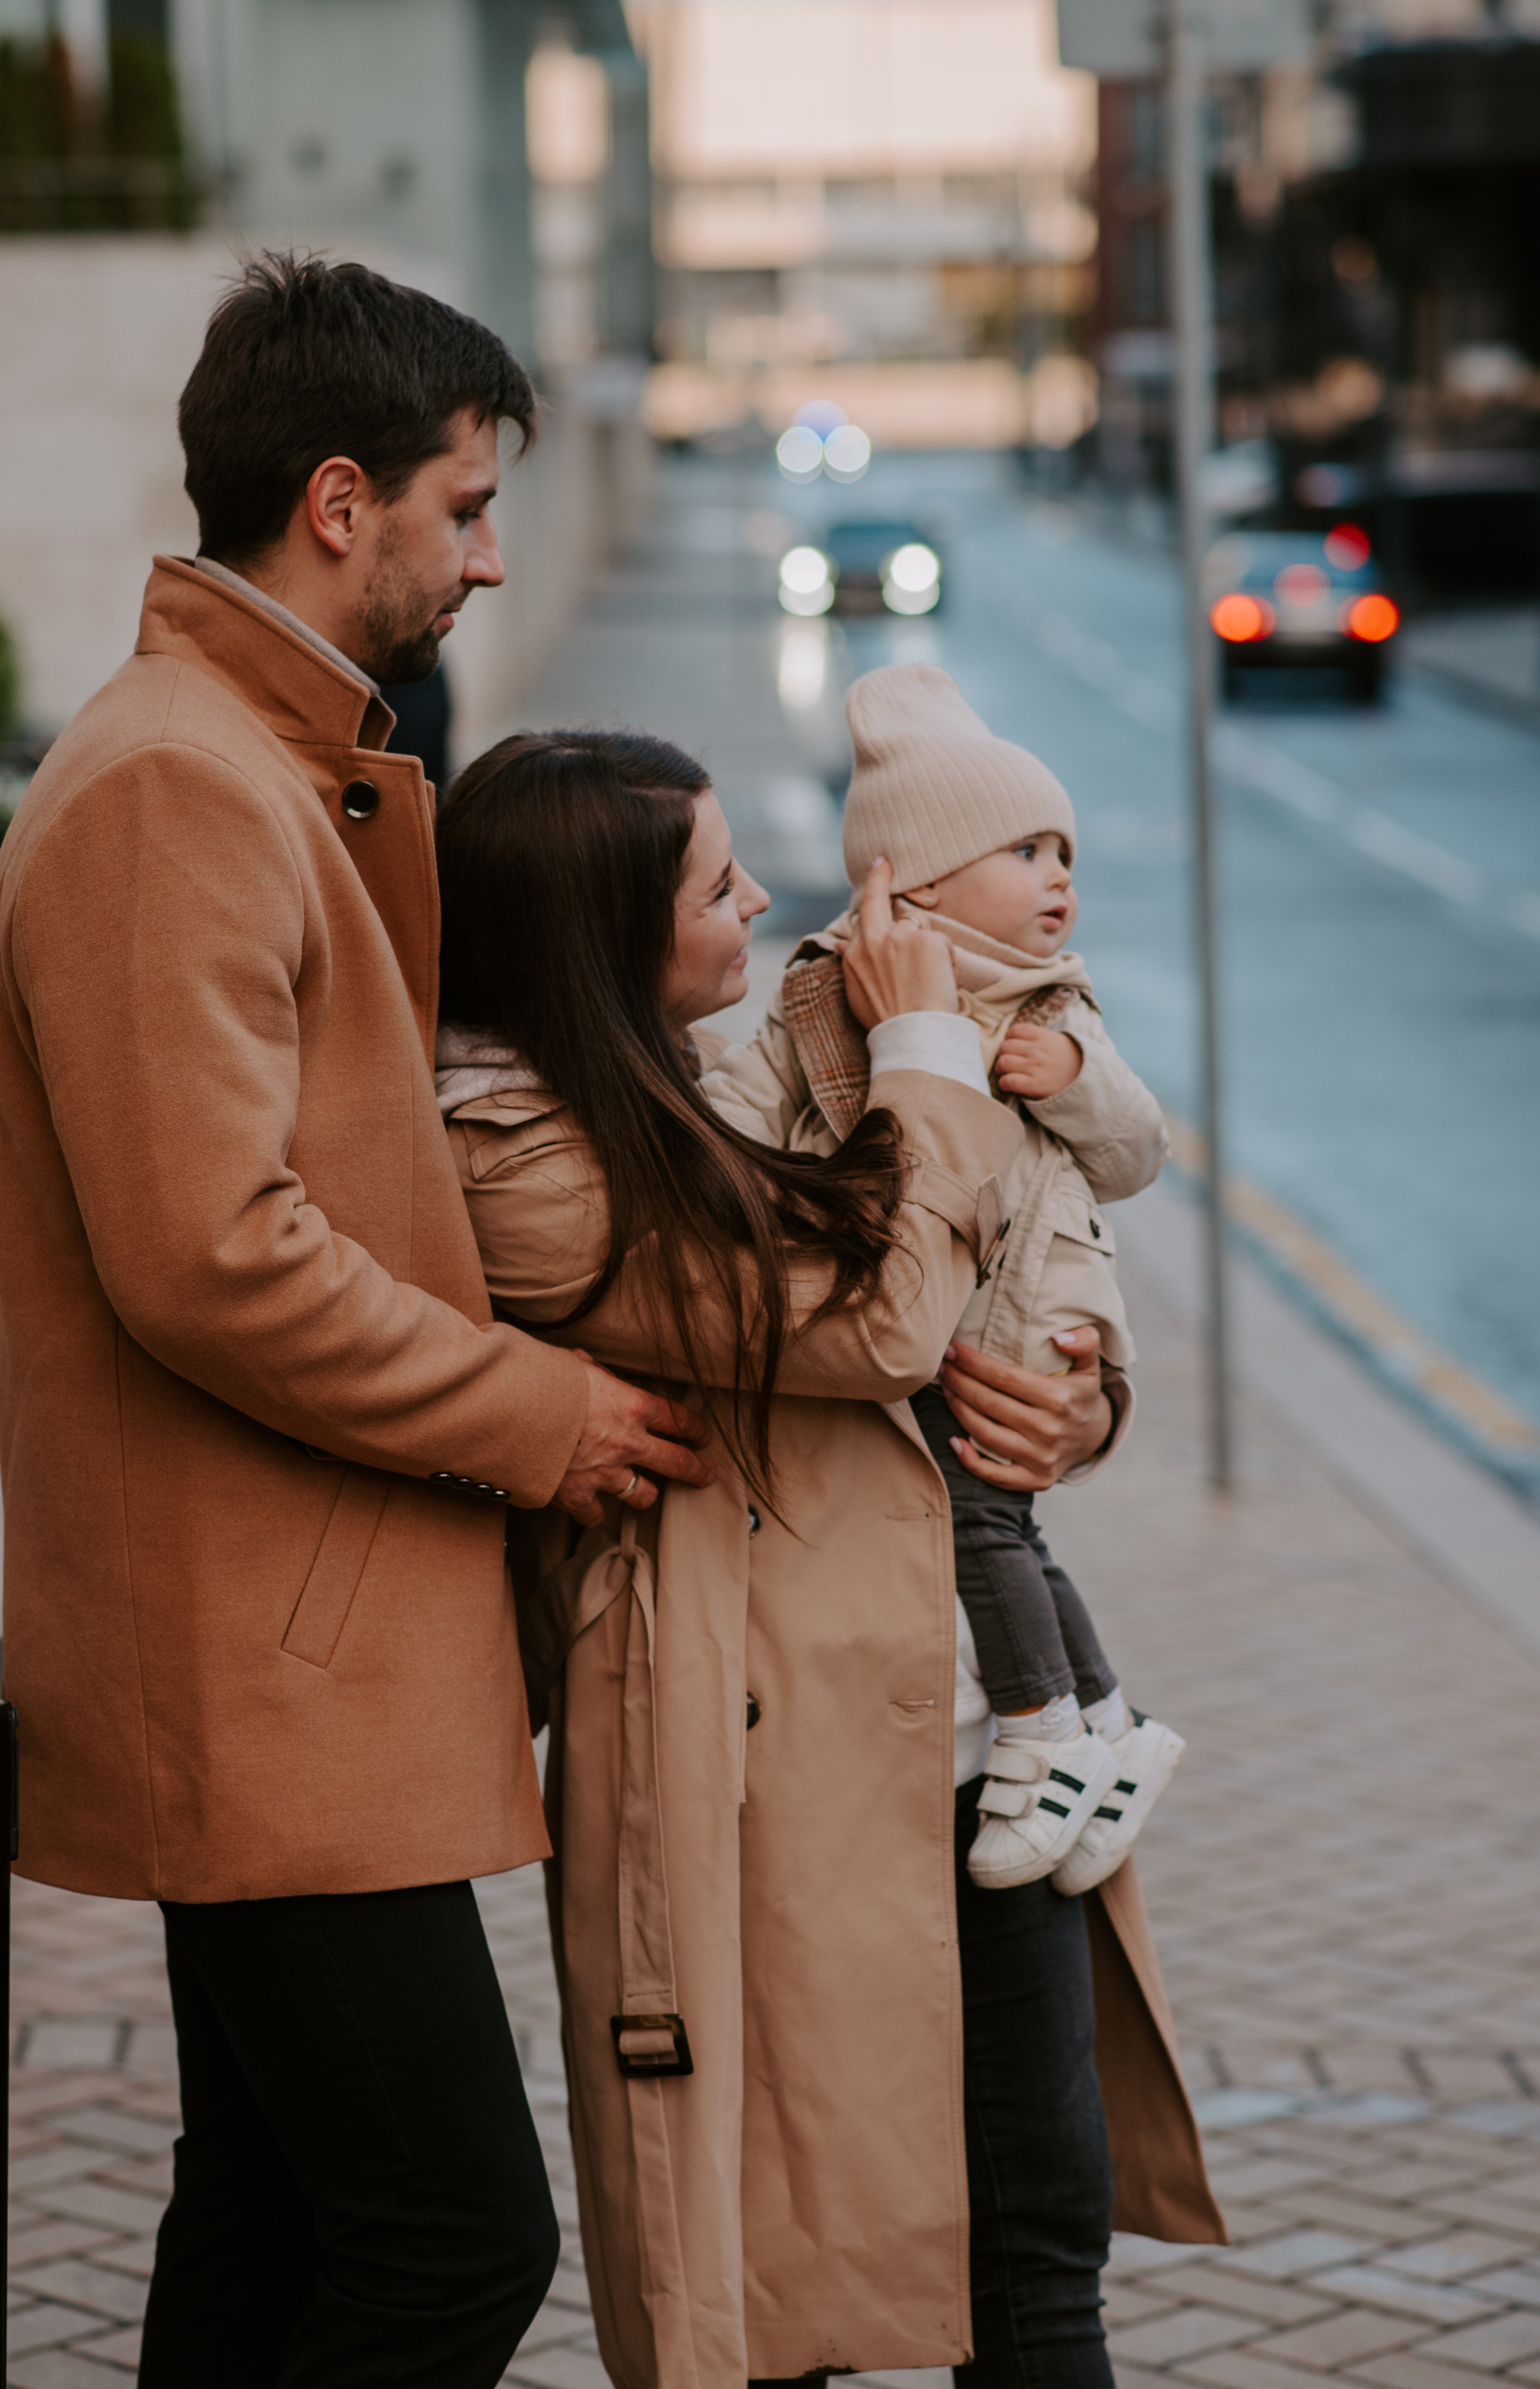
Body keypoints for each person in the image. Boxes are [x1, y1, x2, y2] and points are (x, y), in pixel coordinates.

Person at [0, 254, 716, 2389]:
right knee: (450, 2239)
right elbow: (212, 1250)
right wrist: (540, 1411)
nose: (490, 558)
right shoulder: (176, 786)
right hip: (262, 1663)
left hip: (281, 1640)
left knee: (275, 2213)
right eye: (466, 508)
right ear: (339, 501)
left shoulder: (249, 761)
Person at [434, 727, 1224, 2389]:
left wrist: (1075, 1399)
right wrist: (925, 1045)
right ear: (604, 932)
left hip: (969, 1736)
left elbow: (988, 1264)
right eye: (715, 884)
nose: (760, 901)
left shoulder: (695, 1078)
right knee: (779, 2274)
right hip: (766, 1766)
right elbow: (875, 1323)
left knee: (1039, 2230)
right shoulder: (523, 1159)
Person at [704, 664, 1184, 1894]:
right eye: (1025, 851)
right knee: (1002, 1522)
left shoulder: (1053, 1006)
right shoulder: (824, 990)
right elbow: (749, 1106)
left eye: (1063, 852)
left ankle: (1039, 1730)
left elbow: (1136, 1155)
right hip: (938, 1300)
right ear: (914, 883)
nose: (1060, 877)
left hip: (1025, 1307)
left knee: (978, 1517)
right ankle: (1106, 1723)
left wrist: (1076, 1077)